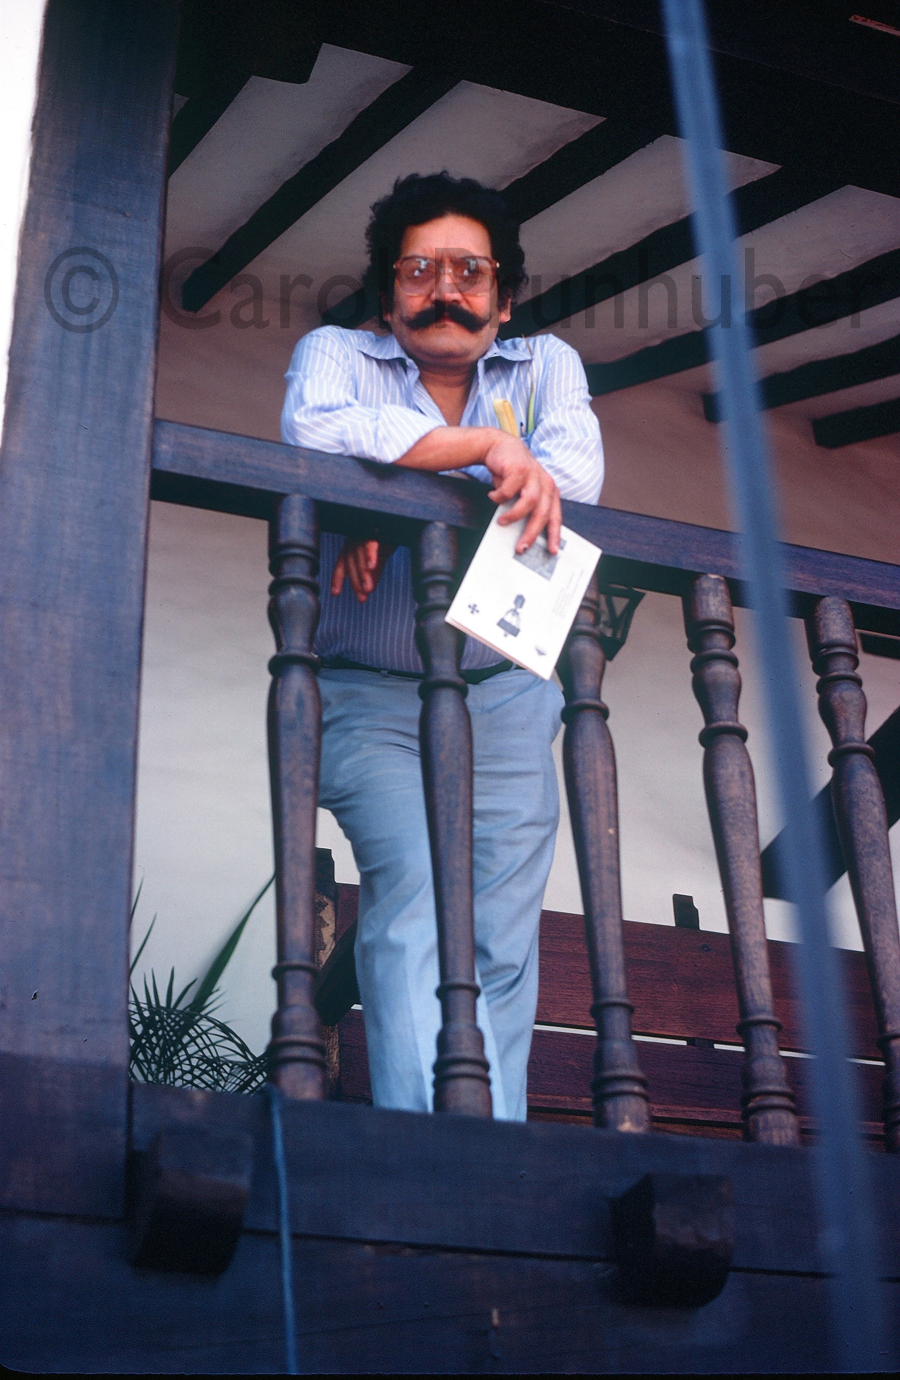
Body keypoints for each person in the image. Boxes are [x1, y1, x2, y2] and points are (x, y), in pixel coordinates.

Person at [281, 172, 603, 1120]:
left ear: (503, 298)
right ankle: (425, 1145)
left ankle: (491, 1152)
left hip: (506, 689)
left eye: (470, 271)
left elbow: (574, 476)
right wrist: (490, 451)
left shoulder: (546, 366)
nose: (444, 291)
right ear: (389, 295)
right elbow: (317, 427)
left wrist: (388, 491)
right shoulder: (336, 352)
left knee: (500, 932)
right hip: (365, 692)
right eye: (419, 270)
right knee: (416, 891)